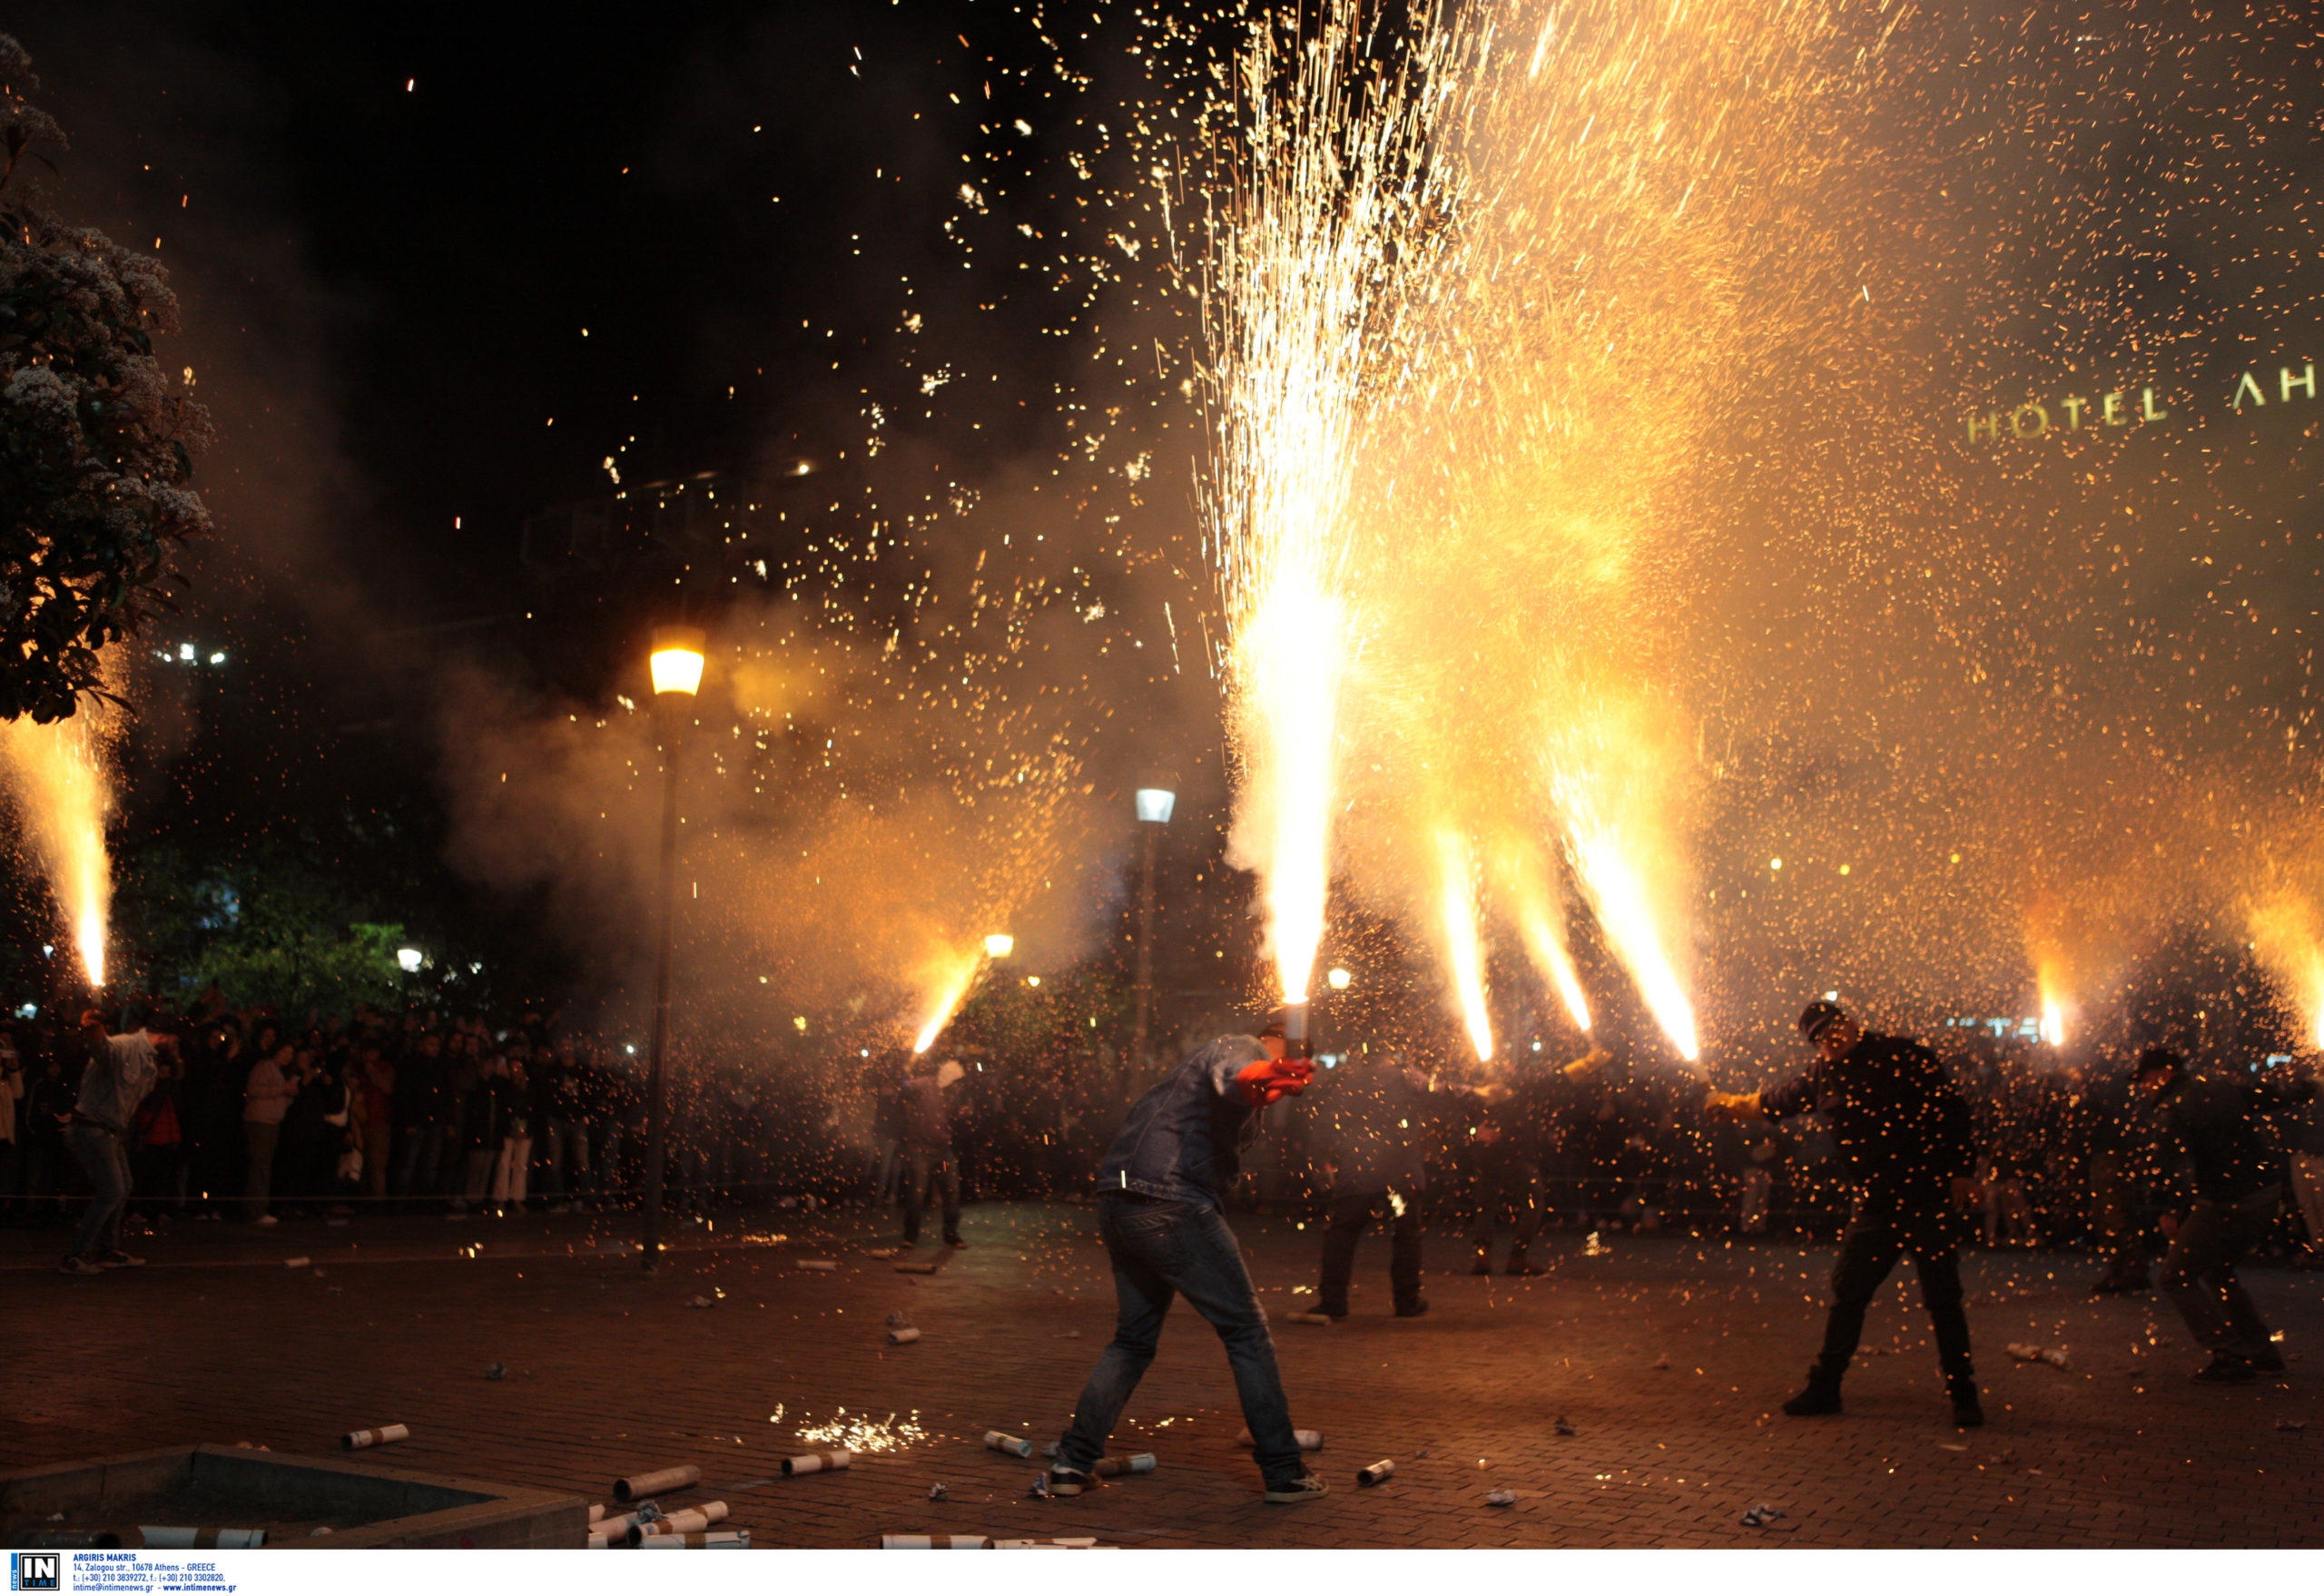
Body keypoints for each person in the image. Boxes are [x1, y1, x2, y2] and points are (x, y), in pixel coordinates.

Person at [1047, 1020, 1326, 1503]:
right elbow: (1241, 1074)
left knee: (1132, 1341)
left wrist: (1272, 1082)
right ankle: (1284, 1471)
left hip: (1121, 1201)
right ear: (1276, 1039)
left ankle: (1072, 1464)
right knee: (1246, 1331)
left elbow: (1249, 1090)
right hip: (1171, 1203)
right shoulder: (1240, 1044)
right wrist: (1270, 1071)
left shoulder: (1217, 1074)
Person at [1707, 1000, 1984, 1426]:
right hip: (1874, 1207)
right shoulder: (1823, 1074)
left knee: (1944, 1301)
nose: (1829, 1040)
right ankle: (1825, 1387)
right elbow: (1779, 1101)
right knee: (1847, 1297)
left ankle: (1964, 1396)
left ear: (1851, 1023)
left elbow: (1953, 1113)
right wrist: (1732, 1105)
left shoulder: (1906, 1056)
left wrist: (1963, 1171)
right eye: (1819, 1038)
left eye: (1832, 1030)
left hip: (1925, 1200)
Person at [2133, 1048, 2317, 1383]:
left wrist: (2169, 1210)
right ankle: (2262, 1352)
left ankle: (2229, 1352)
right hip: (2264, 1194)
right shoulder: (2219, 1087)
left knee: (2174, 1276)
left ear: (2165, 1073)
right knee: (2218, 1271)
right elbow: (2272, 1095)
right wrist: (2313, 1085)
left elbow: (2172, 1165)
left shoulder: (2172, 1107)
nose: (2143, 1088)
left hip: (2225, 1202)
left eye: (2145, 1079)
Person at [61, 1008, 168, 1274]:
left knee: (123, 1185)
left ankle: (109, 1250)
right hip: (91, 1128)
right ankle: (76, 1255)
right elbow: (102, 1051)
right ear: (165, 1037)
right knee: (112, 1190)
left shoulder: (149, 1062)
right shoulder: (123, 1046)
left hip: (109, 1132)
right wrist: (95, 1032)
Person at [898, 1056, 968, 1248]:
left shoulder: (953, 1096)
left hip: (943, 1151)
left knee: (952, 1192)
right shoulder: (925, 1084)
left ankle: (951, 1233)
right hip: (920, 1149)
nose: (958, 1087)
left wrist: (961, 1115)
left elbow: (950, 1120)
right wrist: (906, 1069)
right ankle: (910, 1236)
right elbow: (904, 1088)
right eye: (956, 1082)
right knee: (917, 1194)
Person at [241, 1040, 300, 1224]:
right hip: (260, 1121)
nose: (287, 1056)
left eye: (290, 1053)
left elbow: (279, 1099)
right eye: (284, 1051)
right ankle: (256, 1210)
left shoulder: (281, 1072)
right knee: (260, 1165)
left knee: (264, 1165)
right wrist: (282, 1089)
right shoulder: (265, 1066)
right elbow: (253, 1089)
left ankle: (258, 1208)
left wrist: (289, 1094)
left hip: (272, 1121)